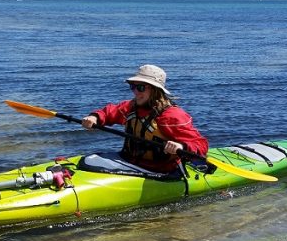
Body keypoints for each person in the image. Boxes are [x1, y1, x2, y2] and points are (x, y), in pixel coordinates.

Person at [80, 64, 208, 174]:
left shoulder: (172, 116)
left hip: (159, 170)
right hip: (129, 161)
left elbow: (201, 145)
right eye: (133, 86)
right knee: (88, 160)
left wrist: (181, 146)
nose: (135, 92)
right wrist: (94, 117)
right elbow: (109, 112)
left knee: (90, 162)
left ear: (155, 90)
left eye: (140, 87)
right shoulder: (132, 107)